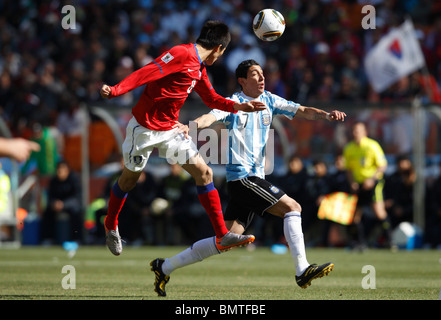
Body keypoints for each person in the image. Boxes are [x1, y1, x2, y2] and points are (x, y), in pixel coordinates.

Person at [150, 59, 346, 296]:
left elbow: (302, 110)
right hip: (244, 179)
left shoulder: (270, 100)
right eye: (255, 74)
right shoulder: (233, 103)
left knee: (224, 241)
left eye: (263, 73)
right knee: (293, 207)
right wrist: (189, 127)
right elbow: (209, 117)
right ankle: (302, 270)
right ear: (242, 81)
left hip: (249, 181)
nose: (262, 77)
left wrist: (326, 115)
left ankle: (164, 266)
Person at [99, 21, 265, 256]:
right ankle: (110, 224)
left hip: (170, 131)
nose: (219, 57)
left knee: (204, 172)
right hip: (144, 129)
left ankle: (222, 235)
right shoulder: (181, 53)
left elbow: (213, 99)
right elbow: (147, 72)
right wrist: (116, 90)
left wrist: (239, 105)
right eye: (222, 52)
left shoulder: (199, 69)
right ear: (218, 48)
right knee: (129, 180)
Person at [343, 122, 390, 249]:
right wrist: (352, 182)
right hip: (358, 184)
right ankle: (360, 243)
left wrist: (371, 179)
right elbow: (348, 169)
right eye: (354, 131)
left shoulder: (372, 146)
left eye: (358, 131)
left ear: (365, 132)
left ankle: (390, 241)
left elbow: (382, 166)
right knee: (355, 215)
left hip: (372, 183)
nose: (355, 133)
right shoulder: (349, 148)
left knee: (379, 212)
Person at [40, 161, 82, 244]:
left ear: (67, 170)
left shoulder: (74, 180)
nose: (60, 172)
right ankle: (48, 238)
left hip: (70, 206)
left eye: (62, 169)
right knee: (47, 212)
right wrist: (54, 204)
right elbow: (50, 197)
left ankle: (76, 238)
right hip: (57, 206)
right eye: (58, 169)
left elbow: (77, 198)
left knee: (76, 212)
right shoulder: (54, 181)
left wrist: (64, 205)